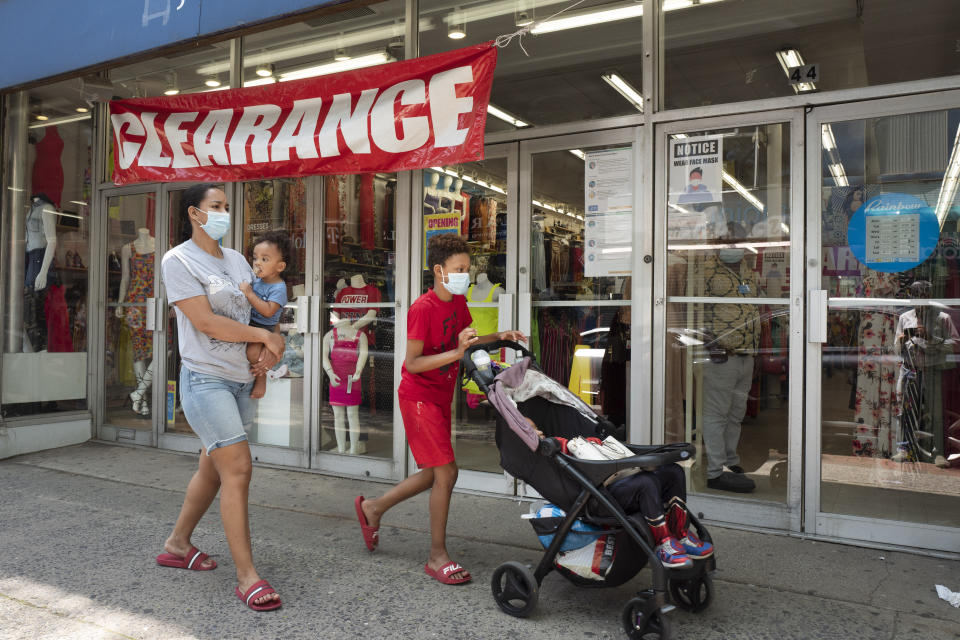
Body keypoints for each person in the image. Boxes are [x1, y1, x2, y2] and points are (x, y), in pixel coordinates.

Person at [354, 233, 526, 585]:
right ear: (439, 270)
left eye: (467, 268)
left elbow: (467, 340)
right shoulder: (422, 308)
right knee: (447, 473)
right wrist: (455, 354)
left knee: (436, 473)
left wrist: (501, 337)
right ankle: (436, 556)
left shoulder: (457, 303)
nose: (465, 273)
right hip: (418, 396)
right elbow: (413, 363)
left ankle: (373, 508)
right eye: (459, 268)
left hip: (440, 396)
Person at [156, 183, 285, 612]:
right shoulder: (178, 260)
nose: (224, 214)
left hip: (239, 380)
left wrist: (263, 354)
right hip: (204, 380)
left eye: (227, 207)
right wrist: (262, 335)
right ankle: (247, 576)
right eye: (216, 207)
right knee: (239, 468)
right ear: (194, 213)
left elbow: (252, 311)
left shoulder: (236, 261)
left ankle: (177, 543)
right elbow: (207, 322)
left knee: (212, 471)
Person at [518, 402, 713, 570]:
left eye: (537, 427)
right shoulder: (548, 452)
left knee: (673, 471)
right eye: (532, 430)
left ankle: (681, 533)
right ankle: (664, 544)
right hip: (596, 497)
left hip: (613, 480)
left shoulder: (558, 444)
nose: (539, 432)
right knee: (647, 482)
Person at [700, 222, 760, 493]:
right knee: (717, 413)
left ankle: (729, 461)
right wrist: (710, 344)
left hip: (747, 354)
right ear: (719, 242)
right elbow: (693, 308)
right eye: (730, 241)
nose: (735, 246)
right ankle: (715, 472)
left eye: (740, 241)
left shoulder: (747, 269)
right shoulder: (705, 269)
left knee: (736, 413)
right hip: (721, 354)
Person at [239, 230, 290, 399]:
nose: (257, 263)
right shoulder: (256, 280)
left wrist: (249, 294)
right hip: (249, 322)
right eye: (255, 258)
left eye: (264, 259)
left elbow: (268, 311)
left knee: (253, 354)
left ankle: (262, 379)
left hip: (264, 326)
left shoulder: (279, 288)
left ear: (280, 266)